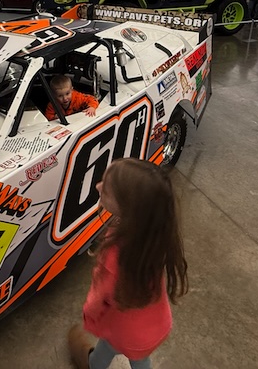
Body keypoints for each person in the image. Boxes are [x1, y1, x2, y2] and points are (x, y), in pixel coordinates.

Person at [67, 157, 189, 369]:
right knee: (140, 359)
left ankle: (93, 365)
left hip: (124, 330)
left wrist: (88, 313)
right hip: (155, 326)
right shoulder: (155, 236)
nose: (98, 186)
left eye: (105, 190)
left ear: (128, 208)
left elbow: (99, 299)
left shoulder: (114, 256)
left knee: (108, 345)